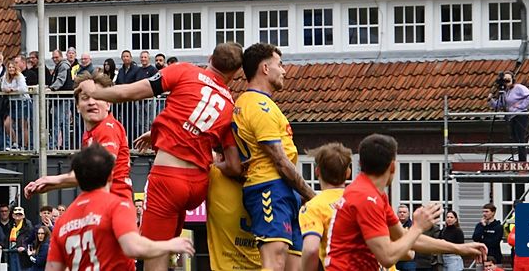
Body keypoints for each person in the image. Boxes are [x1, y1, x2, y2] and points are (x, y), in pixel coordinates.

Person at [83, 42, 243, 271]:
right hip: (198, 183)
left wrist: (95, 93)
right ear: (234, 73)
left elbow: (129, 92)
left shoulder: (185, 70)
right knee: (168, 249)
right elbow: (233, 164)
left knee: (154, 255)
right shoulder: (230, 104)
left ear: (210, 58)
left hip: (168, 178)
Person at [324, 134, 487, 270]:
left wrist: (459, 248)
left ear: (360, 164)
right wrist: (418, 227)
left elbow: (405, 237)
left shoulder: (373, 194)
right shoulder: (366, 198)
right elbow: (387, 257)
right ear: (392, 166)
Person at [45, 144, 196, 271]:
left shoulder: (62, 221)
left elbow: (52, 267)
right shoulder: (117, 205)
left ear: (77, 178)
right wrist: (168, 245)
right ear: (111, 175)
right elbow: (133, 248)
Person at [233, 43, 316, 270]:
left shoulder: (262, 104)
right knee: (275, 261)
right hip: (269, 187)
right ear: (265, 68)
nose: (284, 71)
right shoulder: (259, 106)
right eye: (280, 65)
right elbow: (280, 161)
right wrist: (312, 195)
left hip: (284, 190)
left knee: (295, 264)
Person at [25, 72, 134, 202]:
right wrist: (49, 184)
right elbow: (86, 176)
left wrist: (53, 180)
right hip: (101, 201)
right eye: (85, 98)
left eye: (97, 97)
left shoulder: (107, 128)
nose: (91, 102)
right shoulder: (90, 134)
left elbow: (98, 172)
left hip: (115, 203)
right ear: (77, 106)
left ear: (108, 104)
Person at [299, 142, 352, 271]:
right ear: (348, 173)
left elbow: (311, 249)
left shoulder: (314, 207)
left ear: (317, 171)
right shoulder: (363, 200)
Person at [489, 70, 529, 161]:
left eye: (508, 80)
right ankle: (520, 157)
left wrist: (521, 106)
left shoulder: (519, 88)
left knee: (520, 137)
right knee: (515, 137)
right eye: (505, 80)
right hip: (512, 116)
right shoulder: (505, 91)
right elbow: (499, 104)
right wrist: (491, 100)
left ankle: (522, 160)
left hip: (521, 115)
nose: (506, 82)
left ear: (513, 80)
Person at [2, 59, 30, 150]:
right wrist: (6, 89)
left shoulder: (20, 76)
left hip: (22, 101)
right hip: (12, 102)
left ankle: (25, 146)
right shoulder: (5, 76)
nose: (11, 69)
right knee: (7, 124)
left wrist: (13, 90)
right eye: (9, 67)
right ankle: (15, 143)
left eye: (13, 67)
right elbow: (2, 87)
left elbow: (23, 88)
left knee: (23, 125)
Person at [8, 206, 34, 271]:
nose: (18, 216)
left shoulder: (28, 226)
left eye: (20, 214)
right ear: (13, 215)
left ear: (24, 216)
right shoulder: (10, 225)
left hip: (24, 256)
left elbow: (32, 240)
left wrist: (24, 248)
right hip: (12, 253)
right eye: (16, 214)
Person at [395, 205, 416, 271]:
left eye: (404, 212)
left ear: (408, 214)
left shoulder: (413, 226)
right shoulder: (393, 226)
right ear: (397, 214)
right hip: (395, 259)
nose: (402, 214)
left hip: (408, 260)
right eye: (400, 212)